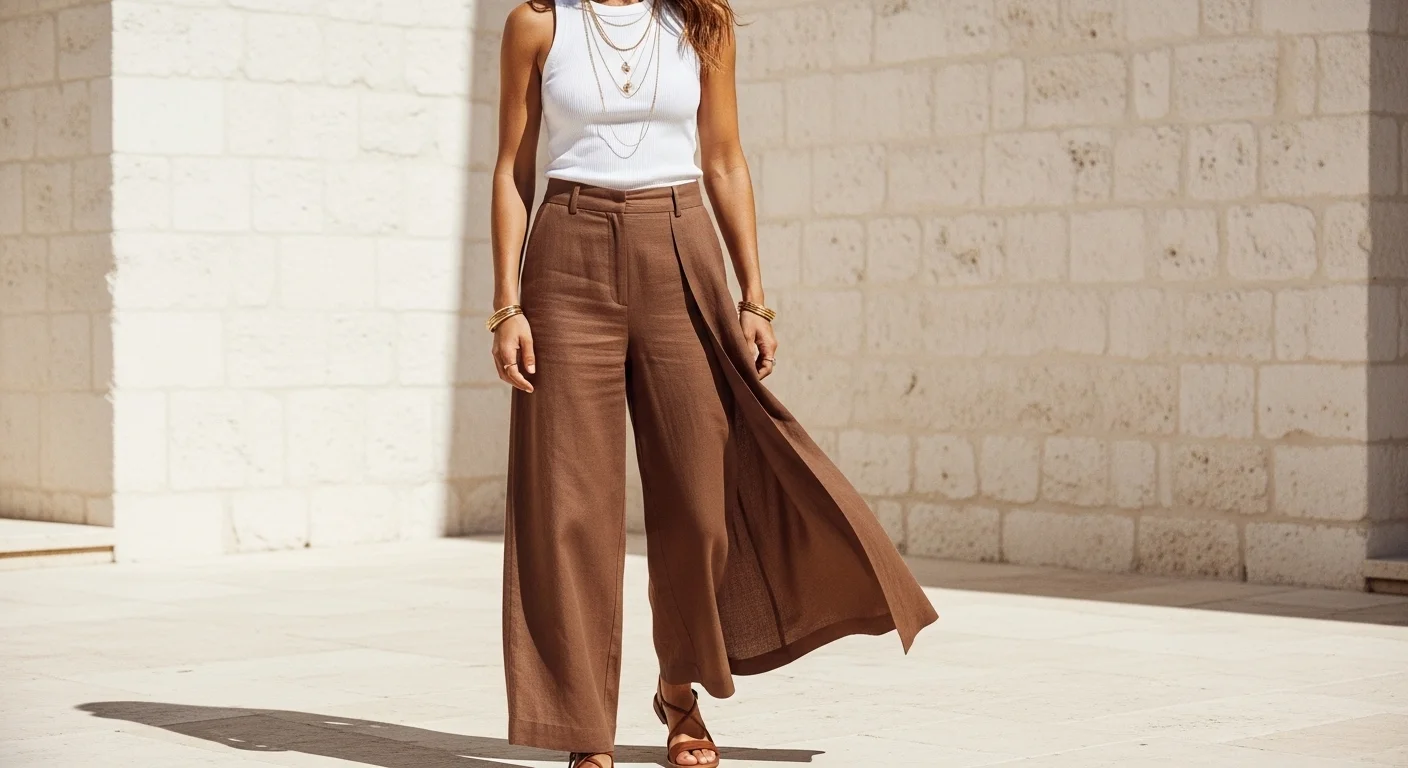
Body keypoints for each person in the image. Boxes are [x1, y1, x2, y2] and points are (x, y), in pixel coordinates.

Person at [488, 0, 939, 765]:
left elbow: (725, 157)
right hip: (566, 254)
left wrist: (753, 294)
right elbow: (511, 168)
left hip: (680, 242)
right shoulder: (538, 22)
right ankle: (581, 728)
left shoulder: (703, 20)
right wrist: (507, 306)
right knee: (568, 506)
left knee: (699, 505)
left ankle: (678, 688)